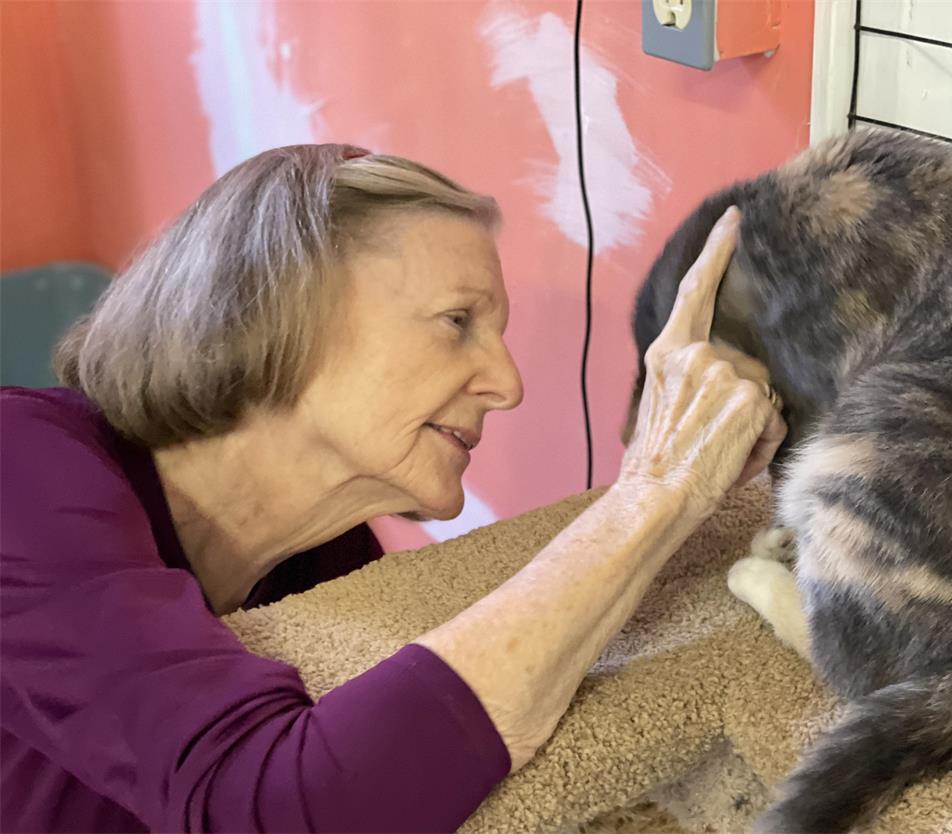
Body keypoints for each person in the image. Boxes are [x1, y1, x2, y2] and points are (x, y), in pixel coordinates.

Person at [0, 144, 785, 833]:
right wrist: (654, 490)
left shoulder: (327, 567)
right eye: (456, 321)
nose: (507, 385)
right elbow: (274, 807)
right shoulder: (22, 469)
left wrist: (695, 492)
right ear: (271, 309)